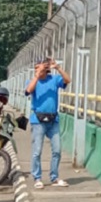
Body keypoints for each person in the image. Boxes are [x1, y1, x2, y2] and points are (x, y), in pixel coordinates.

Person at [25, 57, 71, 189]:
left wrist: (58, 68)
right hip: (38, 121)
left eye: (39, 68)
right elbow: (28, 91)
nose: (37, 70)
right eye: (36, 68)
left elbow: (67, 80)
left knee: (57, 150)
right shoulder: (32, 81)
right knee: (37, 151)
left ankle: (54, 177)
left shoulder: (54, 79)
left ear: (46, 69)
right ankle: (37, 178)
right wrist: (37, 76)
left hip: (53, 120)